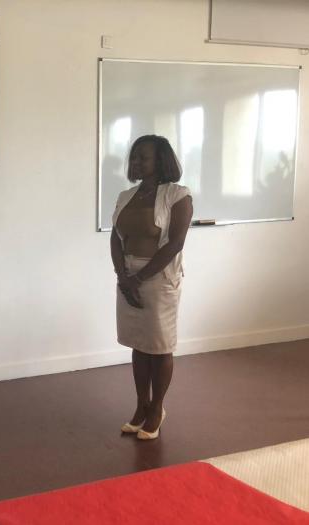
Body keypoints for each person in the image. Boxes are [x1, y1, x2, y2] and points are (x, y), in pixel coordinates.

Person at [110, 135, 193, 441]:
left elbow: (176, 243)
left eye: (143, 157)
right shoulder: (126, 196)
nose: (136, 162)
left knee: (159, 346)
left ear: (161, 160)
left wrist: (138, 278)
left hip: (159, 278)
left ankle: (157, 408)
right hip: (127, 276)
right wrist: (123, 276)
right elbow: (115, 237)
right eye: (133, 157)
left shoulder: (178, 195)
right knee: (139, 344)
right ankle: (141, 406)